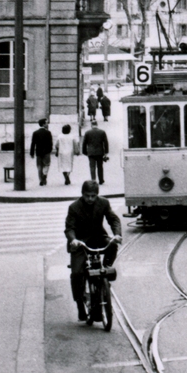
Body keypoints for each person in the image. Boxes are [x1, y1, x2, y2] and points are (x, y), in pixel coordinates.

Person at [64, 180, 122, 322]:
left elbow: (113, 219)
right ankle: (79, 305)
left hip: (98, 238)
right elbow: (69, 227)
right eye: (87, 195)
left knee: (112, 245)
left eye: (93, 196)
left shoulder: (103, 203)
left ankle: (106, 267)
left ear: (97, 195)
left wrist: (116, 234)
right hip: (80, 242)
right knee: (77, 273)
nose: (90, 199)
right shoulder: (74, 207)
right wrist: (73, 240)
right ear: (82, 194)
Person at [81, 119, 109, 184]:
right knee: (100, 166)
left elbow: (84, 143)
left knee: (92, 167)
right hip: (100, 152)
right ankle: (101, 180)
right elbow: (106, 142)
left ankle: (93, 180)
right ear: (97, 125)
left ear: (91, 125)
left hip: (91, 152)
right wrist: (106, 152)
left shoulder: (87, 132)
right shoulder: (102, 132)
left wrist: (84, 152)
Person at [29, 118, 54, 185]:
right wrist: (50, 150)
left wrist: (32, 153)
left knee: (39, 166)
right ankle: (44, 175)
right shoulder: (48, 132)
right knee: (47, 164)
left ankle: (40, 179)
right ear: (43, 124)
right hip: (46, 152)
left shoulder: (35, 133)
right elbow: (50, 143)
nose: (47, 124)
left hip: (38, 152)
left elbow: (33, 143)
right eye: (46, 123)